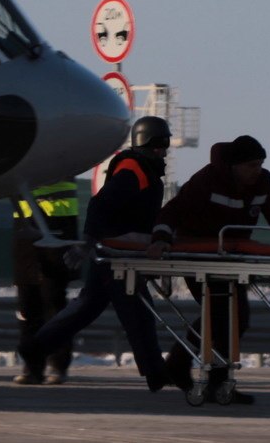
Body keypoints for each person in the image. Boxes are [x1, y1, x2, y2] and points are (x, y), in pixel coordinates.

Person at [22, 116, 183, 393]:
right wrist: (87, 242)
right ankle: (155, 373)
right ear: (146, 142)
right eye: (160, 144)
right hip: (116, 254)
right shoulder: (134, 170)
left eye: (166, 144)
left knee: (88, 307)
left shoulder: (144, 169)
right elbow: (100, 204)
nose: (164, 150)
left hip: (120, 253)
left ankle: (35, 348)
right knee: (138, 313)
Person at [148, 135, 270, 405]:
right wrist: (161, 239)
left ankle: (206, 377)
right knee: (220, 316)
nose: (256, 170)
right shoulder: (207, 180)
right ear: (234, 165)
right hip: (198, 255)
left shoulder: (262, 182)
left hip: (231, 258)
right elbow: (172, 211)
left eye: (260, 164)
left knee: (234, 318)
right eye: (251, 165)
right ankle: (196, 373)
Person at [11, 179, 80, 385]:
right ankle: (32, 364)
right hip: (25, 221)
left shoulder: (60, 151)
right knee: (27, 301)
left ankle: (57, 363)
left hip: (58, 221)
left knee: (53, 299)